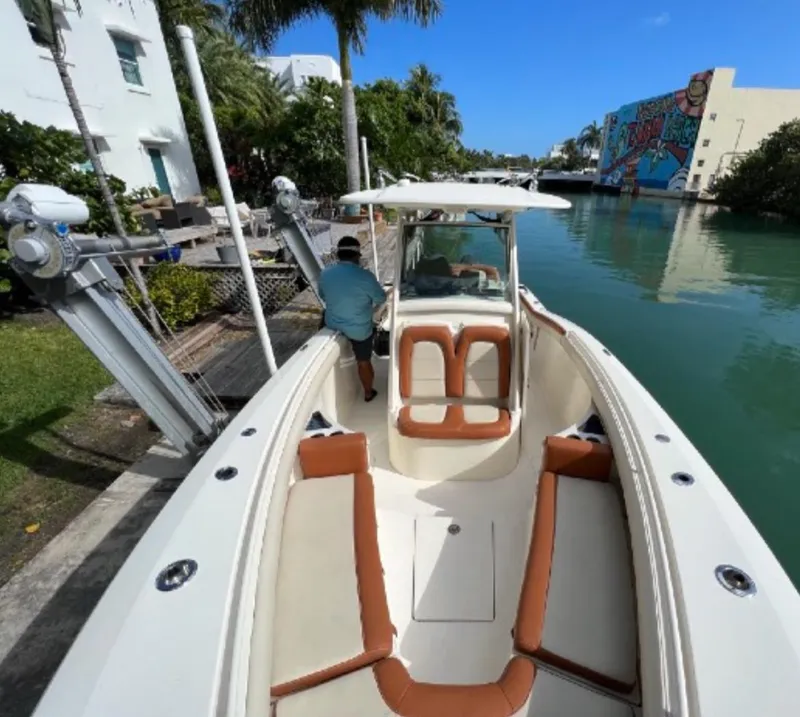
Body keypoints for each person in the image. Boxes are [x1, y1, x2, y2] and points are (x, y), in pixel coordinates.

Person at [318, 236, 386, 401]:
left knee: (324, 314)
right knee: (363, 361)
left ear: (338, 255)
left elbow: (323, 295)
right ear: (357, 256)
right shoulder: (365, 276)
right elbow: (381, 299)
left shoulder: (325, 273)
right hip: (358, 330)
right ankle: (368, 392)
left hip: (332, 324)